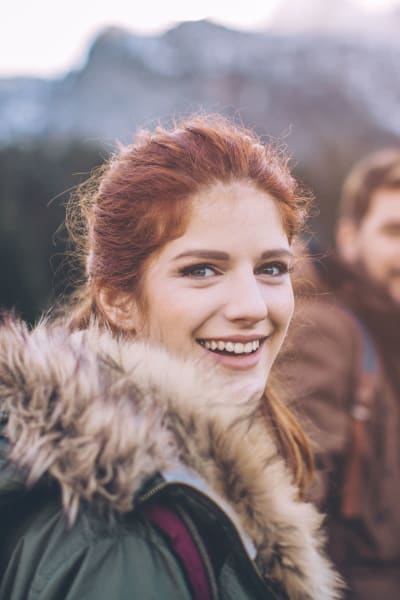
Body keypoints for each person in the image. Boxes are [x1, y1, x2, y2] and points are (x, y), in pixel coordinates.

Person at [0, 115, 340, 600]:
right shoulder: (122, 530)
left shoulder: (223, 463)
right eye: (202, 270)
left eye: (271, 268)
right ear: (118, 300)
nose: (250, 307)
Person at [275, 148, 400, 599]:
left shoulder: (386, 331)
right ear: (349, 238)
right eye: (394, 231)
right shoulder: (324, 328)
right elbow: (289, 501)